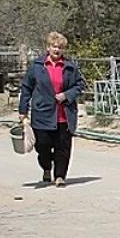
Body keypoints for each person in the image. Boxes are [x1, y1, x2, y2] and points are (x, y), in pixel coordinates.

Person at [18, 32, 85, 186]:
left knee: (63, 147)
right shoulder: (36, 66)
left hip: (64, 114)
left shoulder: (70, 67)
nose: (57, 50)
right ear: (48, 47)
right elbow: (26, 88)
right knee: (42, 145)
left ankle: (60, 176)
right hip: (42, 114)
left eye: (60, 47)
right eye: (54, 46)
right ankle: (47, 168)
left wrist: (67, 95)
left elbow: (79, 85)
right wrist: (23, 111)